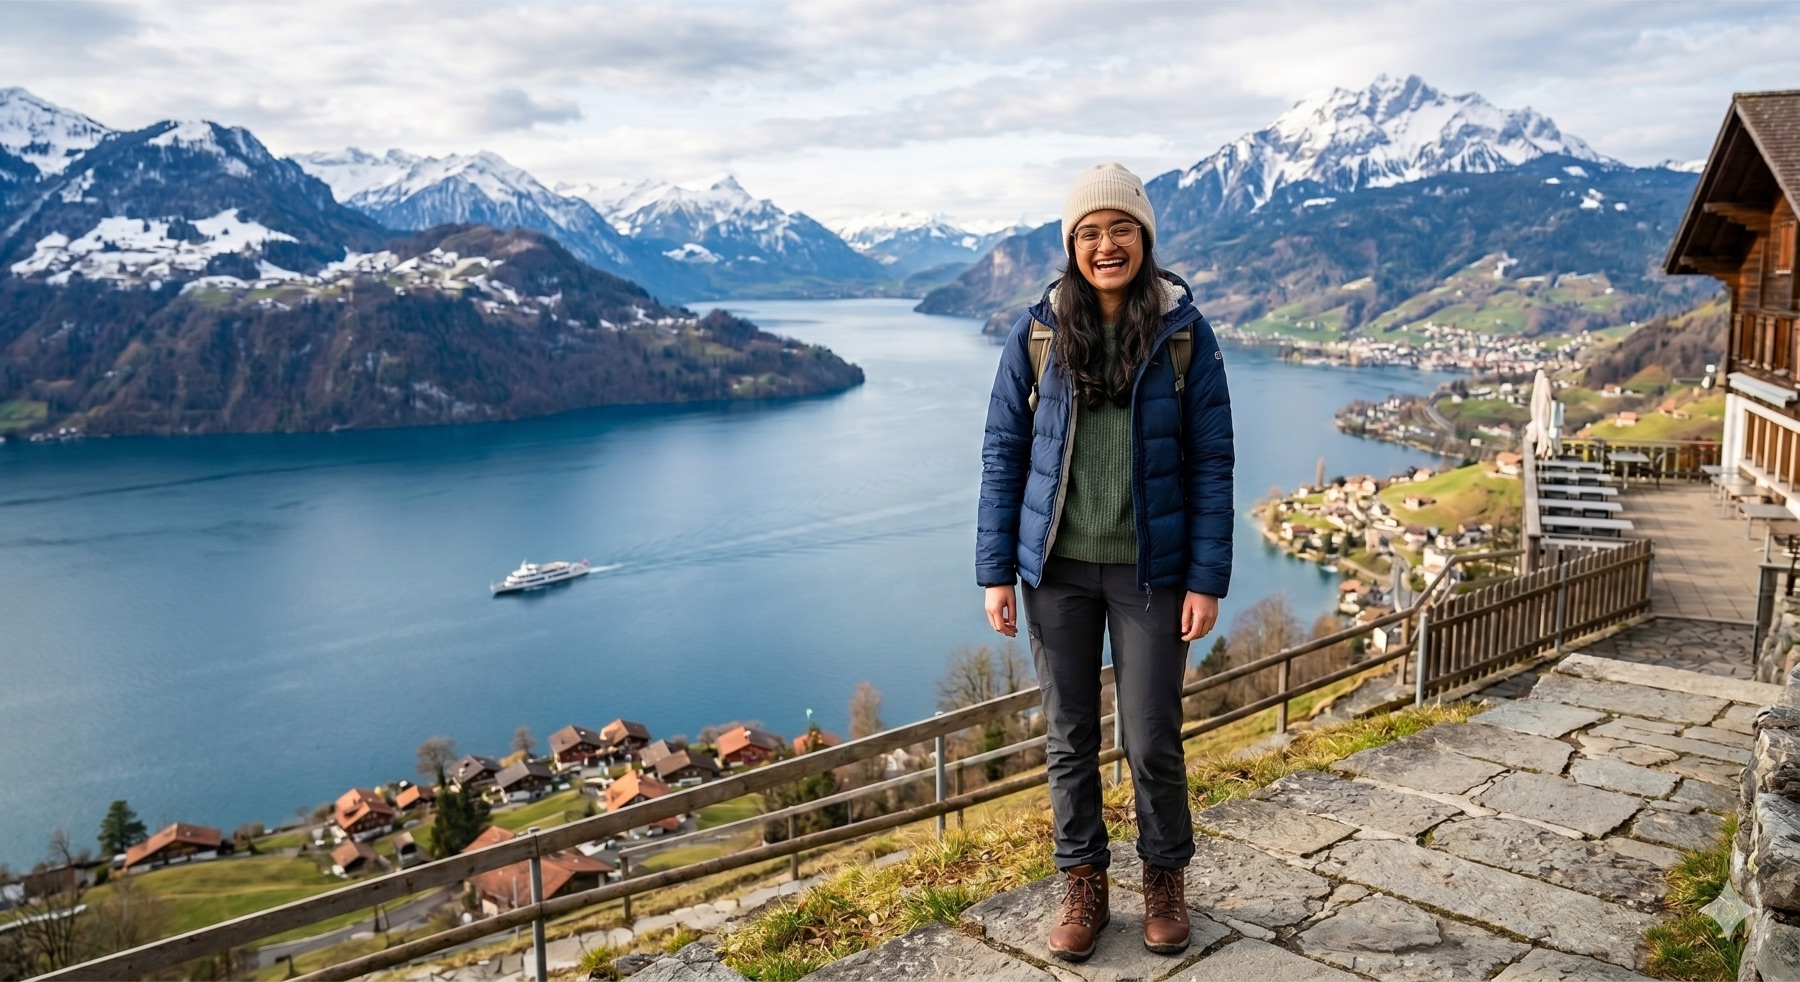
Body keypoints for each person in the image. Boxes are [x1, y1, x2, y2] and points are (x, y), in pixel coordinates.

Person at [976, 162, 1234, 961]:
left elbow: (1212, 461)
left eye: (1120, 228)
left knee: (1153, 734)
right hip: (1056, 570)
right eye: (1089, 233)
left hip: (1151, 573)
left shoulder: (1186, 335)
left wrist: (1206, 578)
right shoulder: (1039, 333)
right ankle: (1082, 883)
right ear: (1071, 247)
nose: (1105, 244)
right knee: (1067, 735)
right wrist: (994, 568)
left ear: (1145, 239)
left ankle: (1164, 879)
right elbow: (1003, 452)